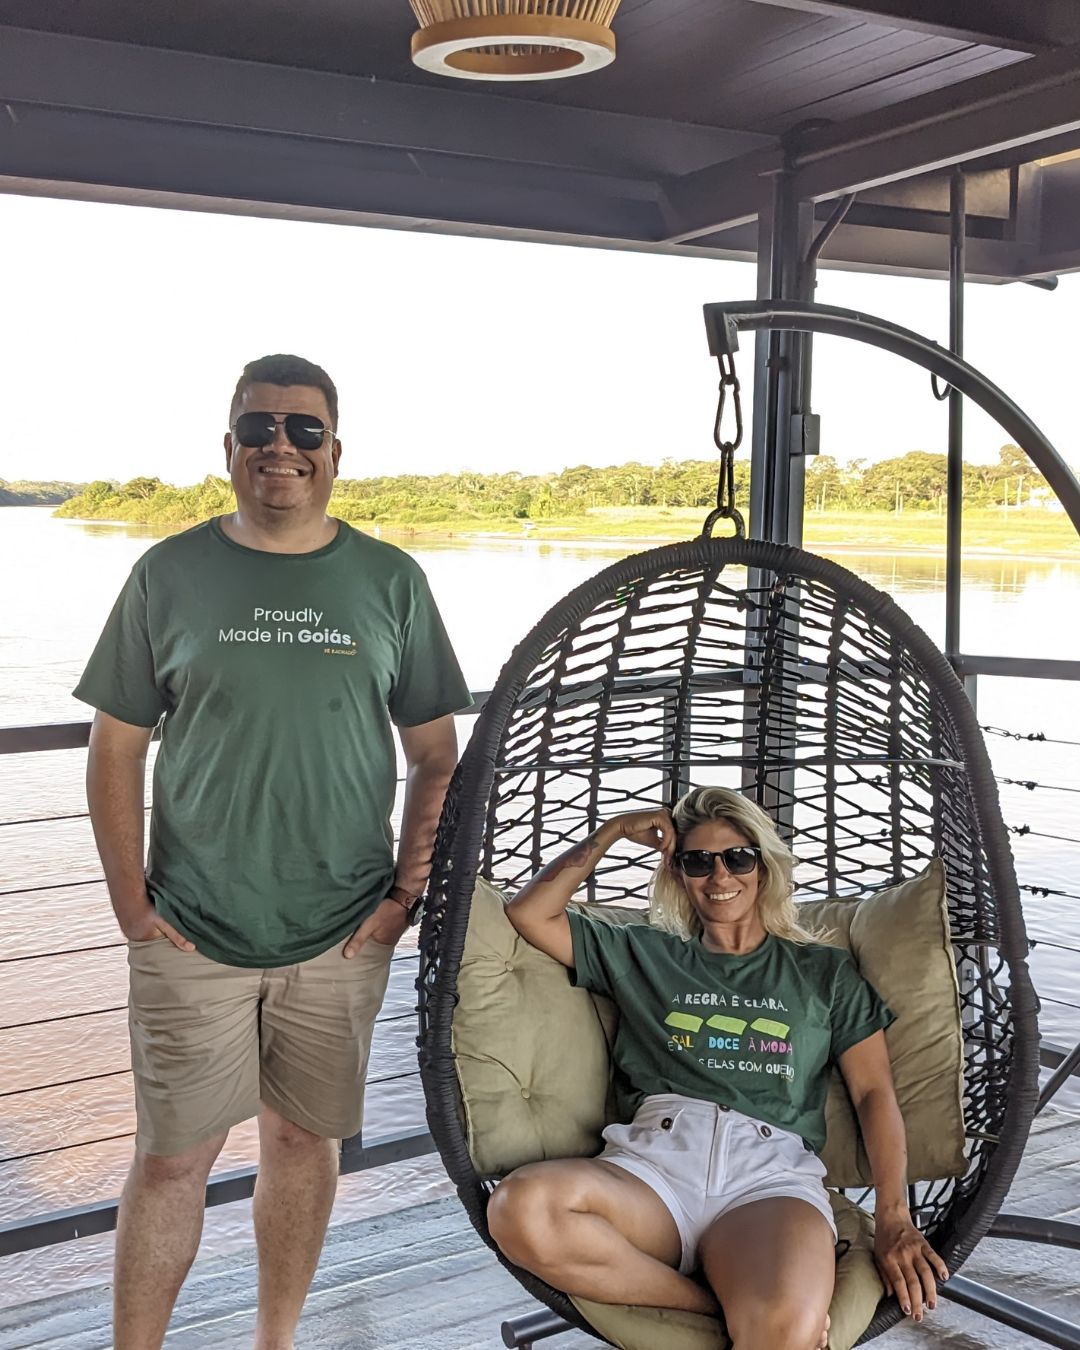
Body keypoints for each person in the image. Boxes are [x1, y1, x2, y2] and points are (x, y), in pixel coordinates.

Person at [76, 354, 472, 1350]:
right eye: (260, 429)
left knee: (304, 1144)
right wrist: (133, 909)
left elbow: (436, 755)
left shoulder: (391, 580)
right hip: (190, 929)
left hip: (341, 934)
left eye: (304, 431)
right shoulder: (167, 573)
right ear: (230, 449)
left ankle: (276, 1340)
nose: (281, 449)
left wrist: (401, 902)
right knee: (172, 1159)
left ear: (336, 452)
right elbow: (115, 747)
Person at [487, 786, 949, 1350]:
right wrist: (610, 834)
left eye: (737, 857)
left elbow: (875, 1092)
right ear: (678, 872)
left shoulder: (823, 972)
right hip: (654, 1167)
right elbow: (529, 912)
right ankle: (714, 1303)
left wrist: (895, 1216)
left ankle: (745, 1302)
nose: (719, 875)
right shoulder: (647, 952)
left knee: (784, 1333)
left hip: (768, 1178)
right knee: (520, 1209)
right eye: (698, 861)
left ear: (764, 867)